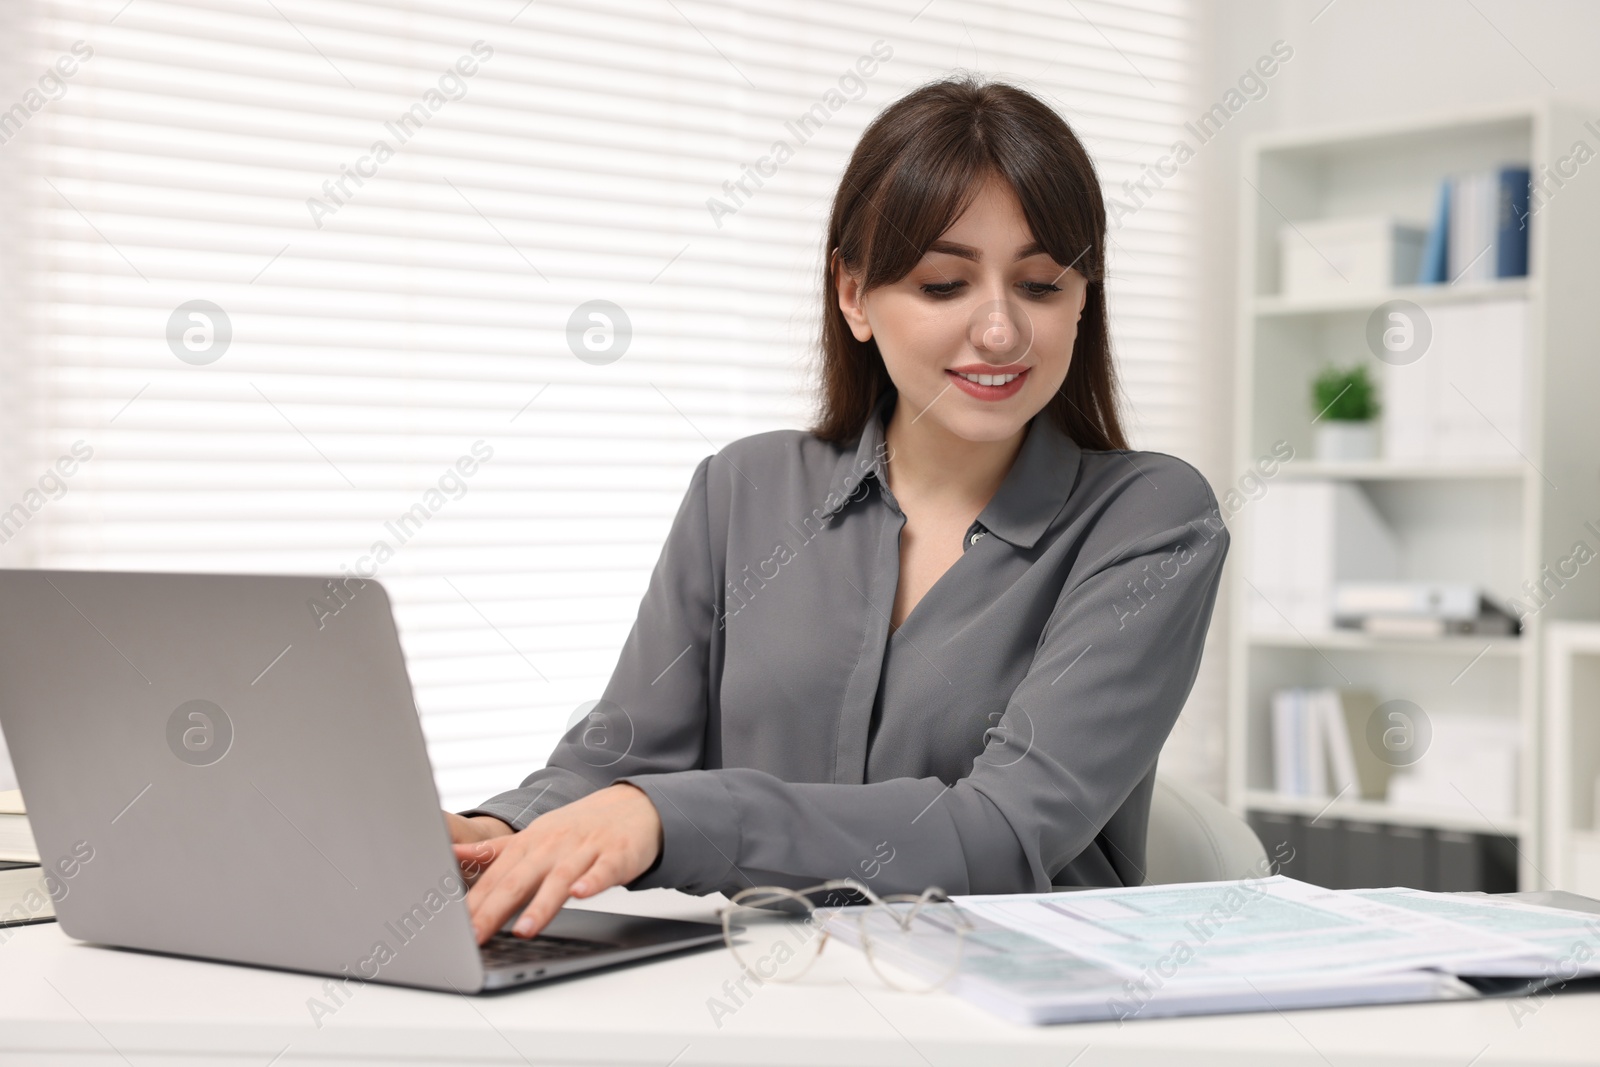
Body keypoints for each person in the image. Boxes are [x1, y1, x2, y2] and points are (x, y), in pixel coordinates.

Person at [445, 75, 1229, 944]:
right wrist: (499, 832)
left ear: (1085, 299)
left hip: (1011, 1010)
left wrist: (672, 818)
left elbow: (1005, 834)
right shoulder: (742, 488)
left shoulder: (1151, 520)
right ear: (854, 295)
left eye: (1042, 284)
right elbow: (622, 756)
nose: (1002, 330)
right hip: (747, 994)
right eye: (944, 285)